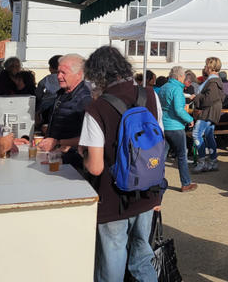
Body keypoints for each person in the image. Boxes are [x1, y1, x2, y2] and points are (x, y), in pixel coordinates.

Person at [79, 46, 162, 282]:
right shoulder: (149, 95)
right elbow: (159, 141)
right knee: (142, 256)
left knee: (112, 260)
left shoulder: (96, 107)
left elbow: (95, 167)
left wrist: (82, 153)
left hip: (113, 196)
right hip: (147, 189)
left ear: (96, 75)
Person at [38, 54, 92, 169]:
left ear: (78, 75)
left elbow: (89, 137)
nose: (58, 76)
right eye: (58, 72)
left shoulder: (85, 99)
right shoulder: (62, 93)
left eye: (63, 73)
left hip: (73, 164)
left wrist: (58, 142)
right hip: (58, 158)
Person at [156, 65, 196, 192]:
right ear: (179, 77)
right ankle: (186, 183)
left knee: (162, 156)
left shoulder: (163, 87)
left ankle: (155, 180)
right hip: (175, 126)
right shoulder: (177, 90)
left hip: (164, 125)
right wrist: (190, 119)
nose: (184, 78)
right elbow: (179, 110)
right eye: (183, 76)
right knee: (182, 156)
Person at [192, 57, 224, 173]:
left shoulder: (213, 81)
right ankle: (213, 161)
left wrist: (197, 98)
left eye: (206, 65)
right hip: (211, 111)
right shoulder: (214, 80)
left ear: (210, 67)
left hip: (208, 111)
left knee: (196, 134)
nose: (205, 67)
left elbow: (209, 99)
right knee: (209, 135)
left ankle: (202, 162)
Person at [35, 54, 62, 121]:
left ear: (51, 68)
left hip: (46, 105)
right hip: (61, 104)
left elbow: (39, 90)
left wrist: (40, 97)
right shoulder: (67, 77)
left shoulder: (47, 78)